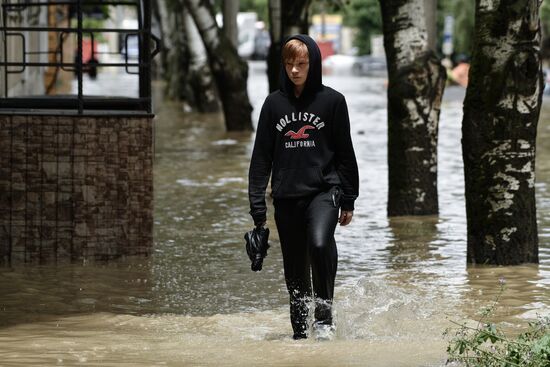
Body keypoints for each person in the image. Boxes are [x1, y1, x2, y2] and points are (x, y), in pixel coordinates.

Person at [248, 34, 359, 340]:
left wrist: (349, 197)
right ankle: (299, 333)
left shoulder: (333, 102)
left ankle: (324, 317)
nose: (294, 70)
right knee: (295, 270)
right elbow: (260, 160)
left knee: (320, 243)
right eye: (289, 64)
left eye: (301, 64)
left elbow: (345, 153)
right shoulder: (273, 105)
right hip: (286, 197)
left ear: (313, 64)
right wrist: (258, 210)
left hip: (324, 192)